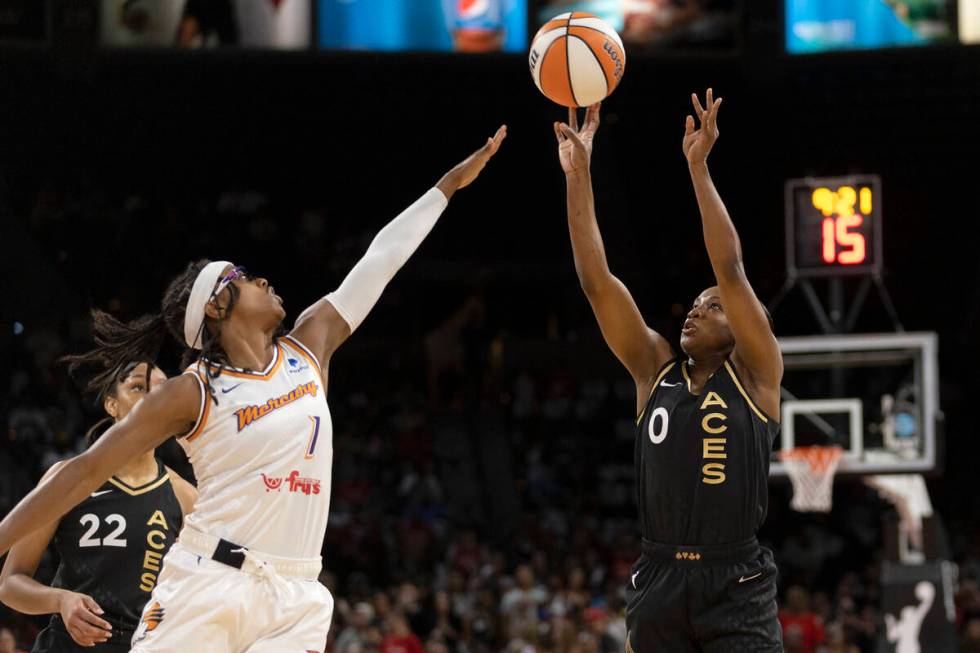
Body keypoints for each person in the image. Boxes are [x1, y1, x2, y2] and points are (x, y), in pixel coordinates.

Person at [0, 125, 506, 653]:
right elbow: (83, 472)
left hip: (294, 594)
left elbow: (379, 262)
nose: (263, 280)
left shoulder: (310, 345)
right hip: (206, 585)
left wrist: (447, 186)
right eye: (244, 276)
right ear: (216, 306)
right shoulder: (190, 393)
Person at [554, 90, 782, 650]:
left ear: (744, 326)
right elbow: (596, 281)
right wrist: (578, 177)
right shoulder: (654, 368)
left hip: (736, 580)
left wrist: (698, 169)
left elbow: (729, 268)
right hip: (657, 576)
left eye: (714, 307)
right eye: (696, 304)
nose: (697, 310)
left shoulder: (755, 374)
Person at [0, 357, 197, 652]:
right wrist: (61, 599)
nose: (154, 397)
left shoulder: (185, 497)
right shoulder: (66, 479)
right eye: (138, 387)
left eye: (162, 388)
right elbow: (9, 583)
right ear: (111, 405)